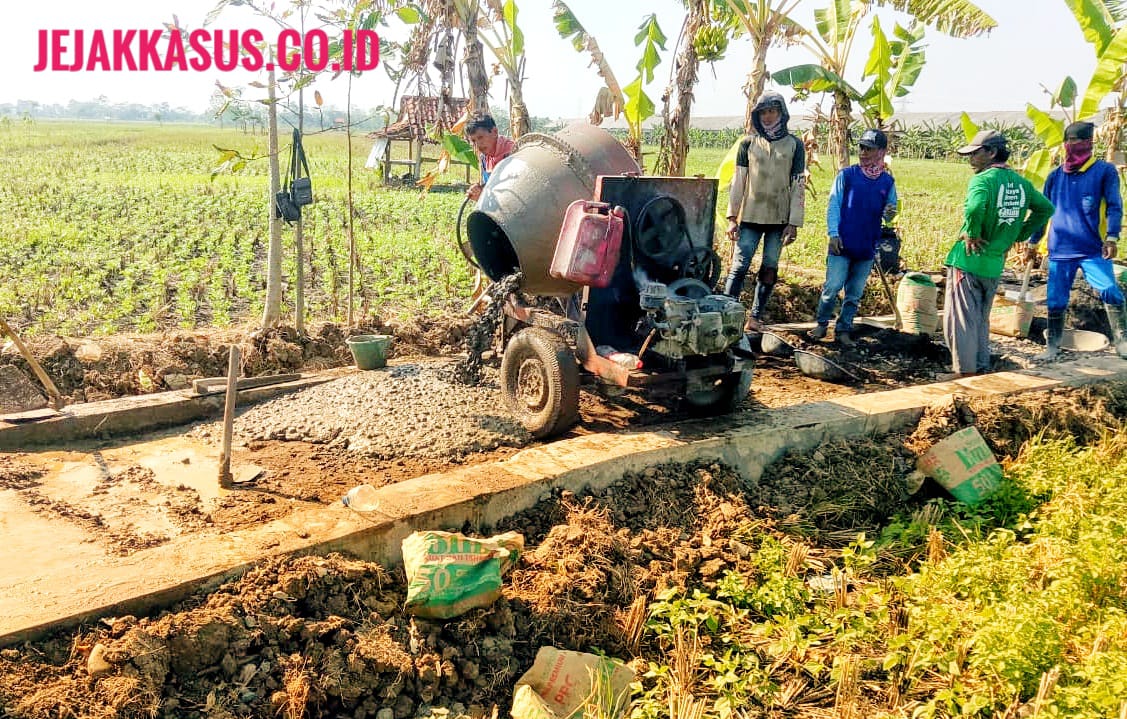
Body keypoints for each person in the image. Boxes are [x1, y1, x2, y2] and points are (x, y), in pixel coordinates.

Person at [945, 130, 1054, 376]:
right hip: (995, 262)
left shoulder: (983, 180)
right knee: (982, 319)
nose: (971, 158)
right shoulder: (1022, 184)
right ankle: (981, 366)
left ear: (991, 152)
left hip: (969, 260)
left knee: (961, 319)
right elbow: (1046, 209)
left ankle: (964, 372)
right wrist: (1019, 234)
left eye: (975, 153)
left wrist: (972, 233)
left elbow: (974, 208)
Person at [1024, 121, 1127, 360]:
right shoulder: (1055, 177)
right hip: (1060, 249)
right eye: (1068, 141)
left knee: (1110, 290)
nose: (1071, 146)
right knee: (1056, 298)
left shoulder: (1104, 171)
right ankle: (1052, 347)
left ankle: (1122, 343)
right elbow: (1043, 212)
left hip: (1093, 248)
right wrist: (1032, 242)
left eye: (1077, 141)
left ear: (1089, 143)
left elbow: (1114, 206)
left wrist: (1112, 237)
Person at [723, 91, 806, 331]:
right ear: (757, 116)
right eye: (764, 112)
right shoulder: (748, 143)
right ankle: (727, 312)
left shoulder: (794, 145)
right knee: (739, 265)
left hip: (779, 219)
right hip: (750, 217)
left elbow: (797, 184)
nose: (768, 117)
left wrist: (794, 222)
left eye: (772, 111)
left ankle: (756, 317)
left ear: (781, 113)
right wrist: (731, 217)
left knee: (769, 268)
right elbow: (738, 181)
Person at [809, 128, 898, 346]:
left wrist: (890, 213)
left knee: (854, 294)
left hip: (867, 245)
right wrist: (833, 233)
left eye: (869, 148)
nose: (864, 152)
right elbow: (834, 205)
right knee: (832, 288)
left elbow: (891, 212)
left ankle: (843, 330)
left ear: (881, 152)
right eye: (861, 147)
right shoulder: (847, 176)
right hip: (842, 242)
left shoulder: (887, 182)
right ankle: (821, 324)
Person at [464, 112, 515, 201]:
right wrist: (479, 193)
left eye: (480, 137)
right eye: (473, 141)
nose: (478, 144)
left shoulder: (514, 154)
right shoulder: (484, 159)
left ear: (495, 132)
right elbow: (489, 188)